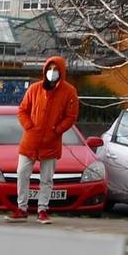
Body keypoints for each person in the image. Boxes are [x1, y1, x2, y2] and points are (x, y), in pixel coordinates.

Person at [15, 55, 78, 224]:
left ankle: (43, 209)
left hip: (51, 141)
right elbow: (22, 110)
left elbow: (71, 116)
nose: (52, 72)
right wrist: (29, 126)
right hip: (30, 140)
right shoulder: (35, 89)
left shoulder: (69, 92)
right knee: (22, 173)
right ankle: (21, 208)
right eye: (49, 69)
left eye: (55, 69)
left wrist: (56, 130)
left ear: (62, 71)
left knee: (46, 178)